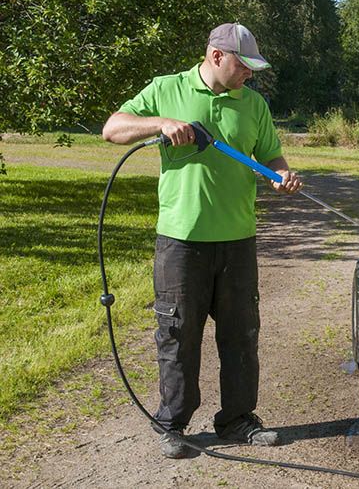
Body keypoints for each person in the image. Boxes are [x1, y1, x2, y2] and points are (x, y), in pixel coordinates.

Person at [102, 23, 302, 459]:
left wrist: (281, 174)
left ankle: (236, 420)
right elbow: (113, 128)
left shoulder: (253, 104)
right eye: (243, 65)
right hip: (181, 242)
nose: (250, 73)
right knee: (177, 333)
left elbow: (271, 155)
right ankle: (172, 423)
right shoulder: (166, 89)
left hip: (238, 240)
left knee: (241, 334)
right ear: (216, 56)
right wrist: (161, 123)